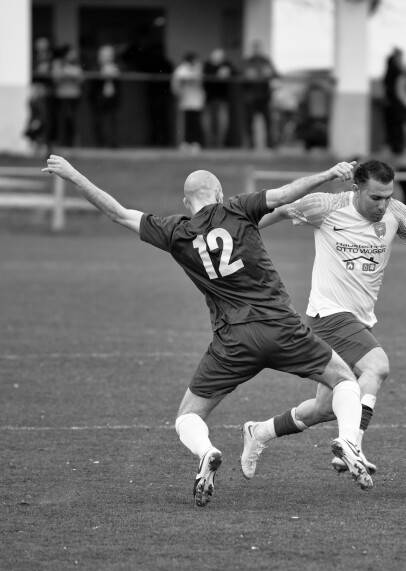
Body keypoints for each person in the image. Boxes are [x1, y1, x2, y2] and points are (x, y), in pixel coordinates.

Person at [41, 155, 376, 506]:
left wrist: (73, 175)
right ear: (218, 192)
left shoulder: (176, 231)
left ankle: (207, 451)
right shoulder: (236, 208)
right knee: (343, 381)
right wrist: (327, 174)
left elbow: (118, 213)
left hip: (233, 341)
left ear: (187, 202)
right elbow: (282, 196)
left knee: (188, 415)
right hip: (280, 327)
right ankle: (349, 440)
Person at [239, 160, 406, 478]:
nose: (383, 204)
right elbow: (276, 210)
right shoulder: (326, 206)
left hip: (360, 319)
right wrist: (239, 231)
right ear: (356, 189)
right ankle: (352, 445)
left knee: (323, 409)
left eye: (388, 196)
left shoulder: (397, 212)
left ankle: (259, 432)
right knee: (377, 367)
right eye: (376, 197)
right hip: (329, 314)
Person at [242, 40, 278, 150]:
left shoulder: (266, 61)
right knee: (249, 122)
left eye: (259, 48)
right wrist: (247, 75)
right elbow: (241, 75)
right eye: (255, 48)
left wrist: (270, 73)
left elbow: (276, 74)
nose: (257, 50)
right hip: (251, 96)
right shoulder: (248, 61)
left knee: (268, 121)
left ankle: (270, 144)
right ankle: (250, 144)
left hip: (264, 96)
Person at [202, 48, 237, 148]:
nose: (218, 59)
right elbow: (205, 77)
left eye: (220, 57)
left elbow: (235, 72)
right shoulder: (207, 65)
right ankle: (209, 143)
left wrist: (228, 71)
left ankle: (220, 143)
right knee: (207, 123)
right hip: (209, 98)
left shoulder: (227, 65)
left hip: (222, 98)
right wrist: (217, 73)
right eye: (216, 57)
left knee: (222, 122)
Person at [171, 52, 205, 152]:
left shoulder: (198, 68)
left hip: (196, 100)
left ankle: (195, 143)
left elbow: (198, 78)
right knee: (186, 123)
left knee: (196, 122)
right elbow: (177, 81)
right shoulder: (182, 69)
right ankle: (185, 142)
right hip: (185, 100)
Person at [51, 45, 83, 147]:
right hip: (62, 95)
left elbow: (80, 78)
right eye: (71, 53)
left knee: (72, 119)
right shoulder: (58, 63)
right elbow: (56, 77)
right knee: (63, 119)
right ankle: (62, 142)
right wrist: (70, 73)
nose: (74, 55)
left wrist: (67, 73)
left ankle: (72, 142)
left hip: (74, 95)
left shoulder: (77, 64)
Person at [90, 45, 121, 148]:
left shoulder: (117, 67)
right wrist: (102, 73)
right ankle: (100, 143)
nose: (107, 57)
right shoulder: (95, 67)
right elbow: (93, 80)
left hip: (113, 98)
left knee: (114, 121)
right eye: (104, 55)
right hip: (99, 98)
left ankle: (113, 143)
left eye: (109, 55)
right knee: (99, 121)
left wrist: (115, 73)